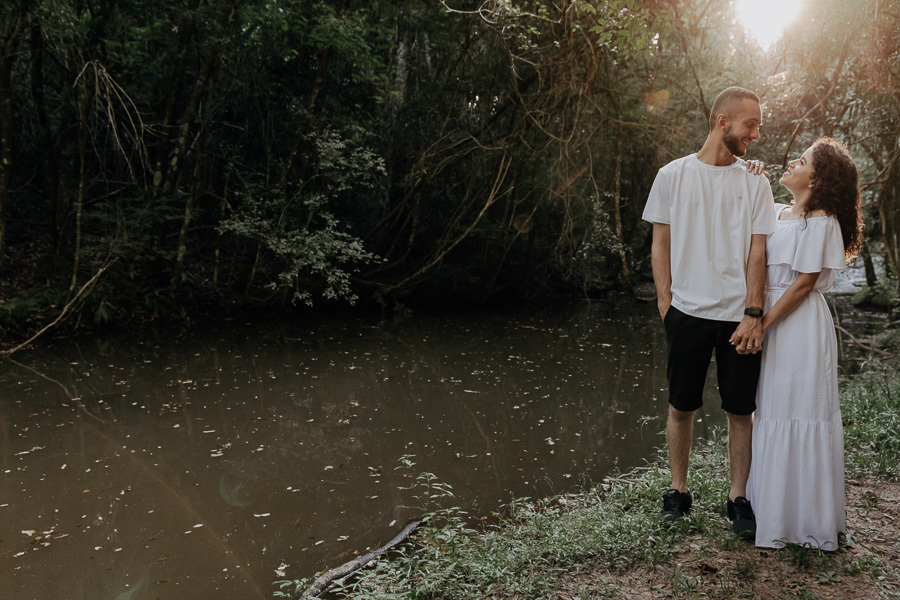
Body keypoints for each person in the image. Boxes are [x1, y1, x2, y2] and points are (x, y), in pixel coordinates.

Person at [642, 86, 775, 539]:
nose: (756, 133)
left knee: (741, 410)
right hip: (687, 312)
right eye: (750, 124)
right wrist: (666, 304)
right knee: (681, 406)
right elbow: (660, 243)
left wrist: (754, 311)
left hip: (739, 318)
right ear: (722, 122)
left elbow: (758, 252)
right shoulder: (672, 176)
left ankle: (738, 498)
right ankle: (678, 491)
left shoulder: (756, 181)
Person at [745, 138, 863, 550]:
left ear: (816, 178)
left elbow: (804, 283)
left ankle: (807, 521)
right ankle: (772, 512)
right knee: (771, 409)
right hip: (770, 319)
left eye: (802, 160)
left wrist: (761, 324)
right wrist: (750, 176)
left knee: (801, 409)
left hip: (797, 325)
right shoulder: (777, 213)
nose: (792, 162)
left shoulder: (823, 221)